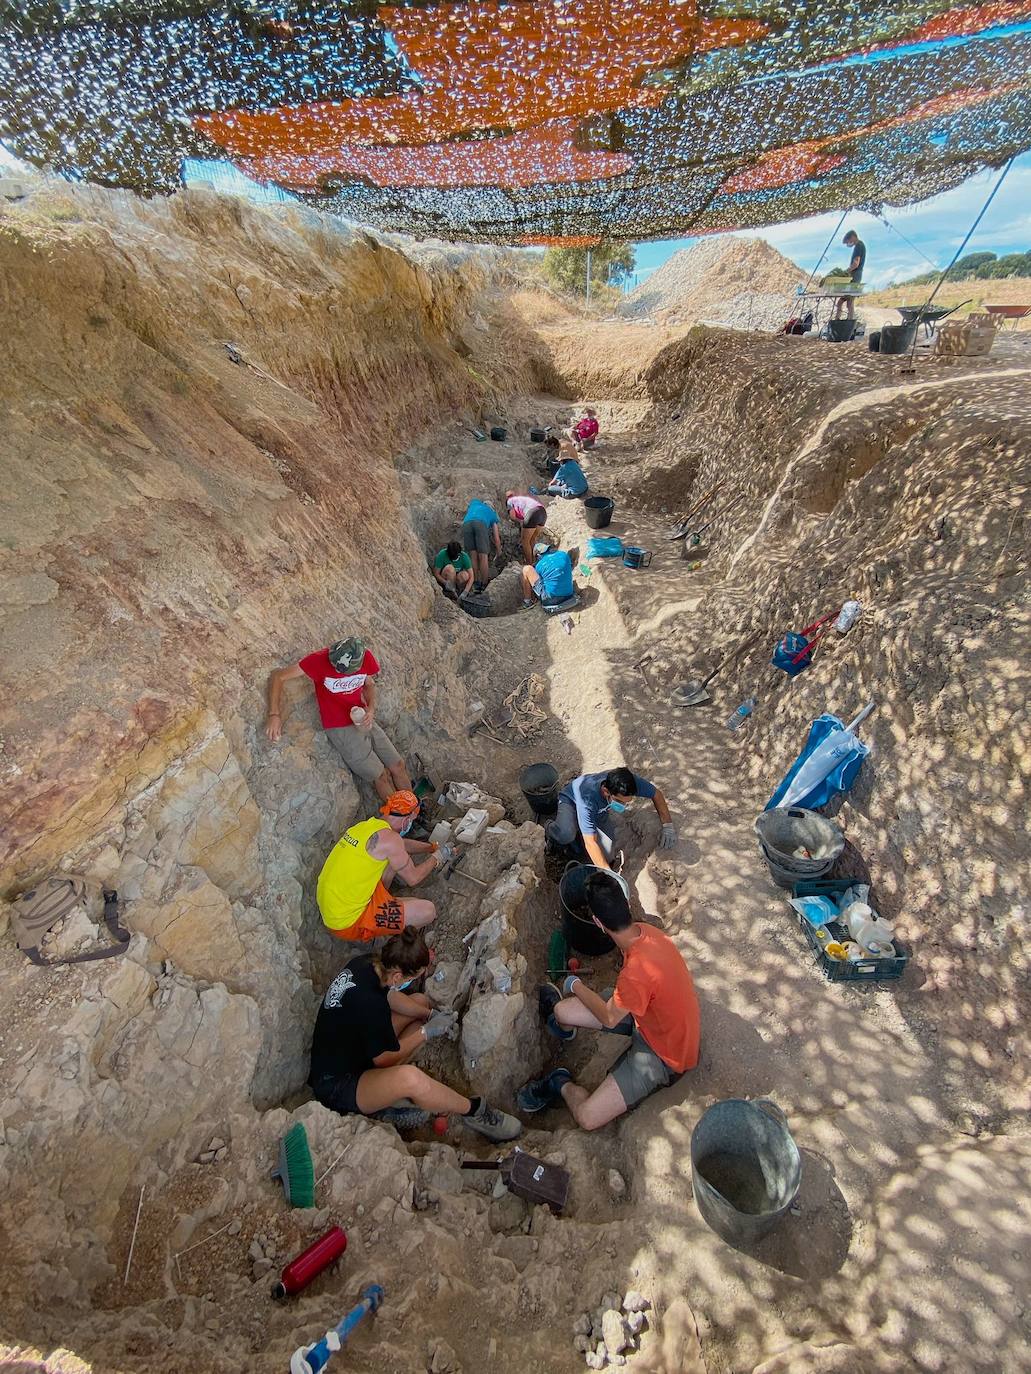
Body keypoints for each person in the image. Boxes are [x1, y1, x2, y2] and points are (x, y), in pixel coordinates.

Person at [516, 873, 700, 1129]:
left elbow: (609, 1016)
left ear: (597, 922)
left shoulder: (637, 973)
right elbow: (624, 1001)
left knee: (587, 1118)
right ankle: (563, 1032)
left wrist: (574, 984)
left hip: (666, 1055)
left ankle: (560, 1084)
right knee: (561, 1011)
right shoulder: (646, 932)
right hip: (645, 1017)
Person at [309, 927, 522, 1141]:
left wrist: (429, 1014)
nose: (413, 981)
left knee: (418, 1002)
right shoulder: (370, 1005)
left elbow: (390, 997)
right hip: (338, 1085)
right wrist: (427, 1032)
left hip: (353, 1049)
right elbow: (383, 1060)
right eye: (414, 977)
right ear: (398, 975)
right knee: (411, 1079)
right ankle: (474, 1111)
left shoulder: (368, 964)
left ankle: (392, 1096)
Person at [266, 637, 412, 802]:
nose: (339, 672)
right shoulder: (319, 660)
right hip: (339, 727)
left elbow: (369, 685)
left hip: (362, 716)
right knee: (380, 775)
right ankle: (402, 818)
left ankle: (414, 810)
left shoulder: (365, 657)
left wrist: (370, 709)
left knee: (398, 766)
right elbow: (279, 677)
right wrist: (274, 715)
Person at [316, 790, 443, 942]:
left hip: (333, 908)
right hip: (349, 921)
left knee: (392, 860)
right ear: (406, 820)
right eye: (412, 820)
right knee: (428, 911)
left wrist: (431, 848)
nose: (411, 824)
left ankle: (387, 908)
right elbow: (414, 878)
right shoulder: (391, 840)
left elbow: (401, 845)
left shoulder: (366, 827)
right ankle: (398, 943)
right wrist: (438, 857)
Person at [546, 766, 676, 869]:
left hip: (599, 813)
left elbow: (656, 794)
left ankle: (581, 833)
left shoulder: (628, 783)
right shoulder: (588, 800)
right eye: (619, 801)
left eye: (627, 802)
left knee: (607, 856)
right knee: (566, 834)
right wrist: (607, 873)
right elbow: (591, 843)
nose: (623, 805)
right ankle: (550, 828)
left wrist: (667, 825)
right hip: (571, 802)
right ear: (606, 792)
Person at [461, 497, 502, 591]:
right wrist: (499, 550)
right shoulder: (492, 513)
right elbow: (496, 537)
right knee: (483, 557)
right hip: (480, 524)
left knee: (473, 556)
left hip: (466, 524)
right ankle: (484, 584)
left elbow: (469, 504)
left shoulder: (475, 503)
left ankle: (475, 582)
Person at [521, 542, 574, 610]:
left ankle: (527, 602)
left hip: (551, 601)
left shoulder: (539, 565)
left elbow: (538, 581)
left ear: (538, 555)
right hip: (569, 595)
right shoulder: (564, 555)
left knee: (527, 569)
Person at [505, 489, 548, 563]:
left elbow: (512, 516)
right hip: (543, 513)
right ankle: (535, 561)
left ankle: (529, 564)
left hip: (532, 513)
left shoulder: (510, 501)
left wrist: (521, 521)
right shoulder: (522, 499)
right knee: (532, 539)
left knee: (525, 541)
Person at [835, 230, 866, 321]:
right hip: (856, 274)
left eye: (848, 242)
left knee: (848, 301)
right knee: (844, 301)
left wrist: (846, 272)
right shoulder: (860, 245)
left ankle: (848, 322)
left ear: (852, 237)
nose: (848, 244)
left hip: (855, 275)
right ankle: (841, 321)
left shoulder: (859, 246)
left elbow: (856, 263)